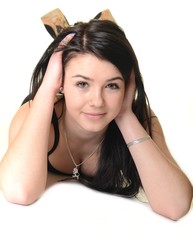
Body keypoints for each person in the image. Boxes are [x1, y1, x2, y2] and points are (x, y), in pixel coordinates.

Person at [0, 8, 192, 220]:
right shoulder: (35, 114)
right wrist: (47, 87)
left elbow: (176, 206)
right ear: (61, 82)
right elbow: (19, 190)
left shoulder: (139, 118)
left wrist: (125, 116)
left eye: (112, 86)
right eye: (82, 83)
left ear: (127, 86)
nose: (97, 101)